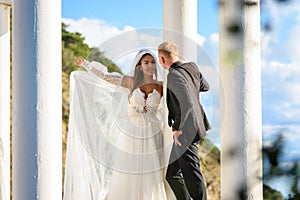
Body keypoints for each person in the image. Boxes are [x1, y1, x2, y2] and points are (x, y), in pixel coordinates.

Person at [63, 49, 175, 200]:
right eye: (146, 62)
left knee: (152, 170)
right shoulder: (131, 82)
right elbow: (105, 77)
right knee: (131, 169)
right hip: (133, 132)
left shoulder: (162, 85)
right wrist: (87, 65)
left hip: (153, 131)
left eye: (152, 62)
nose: (149, 65)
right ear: (140, 65)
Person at [157, 41, 211, 200]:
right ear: (177, 53)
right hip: (196, 125)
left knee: (192, 174)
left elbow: (186, 102)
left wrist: (177, 129)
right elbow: (205, 86)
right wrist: (191, 82)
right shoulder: (192, 68)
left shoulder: (173, 75)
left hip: (186, 130)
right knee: (172, 175)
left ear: (161, 58)